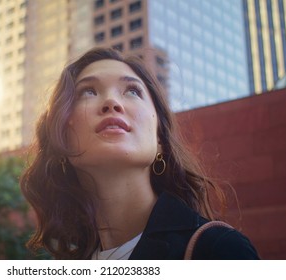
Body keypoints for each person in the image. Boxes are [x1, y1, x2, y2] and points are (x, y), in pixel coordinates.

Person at [20, 47, 259, 260]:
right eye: (88, 92)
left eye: (132, 91)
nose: (112, 102)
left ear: (159, 139)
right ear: (61, 136)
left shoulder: (217, 251)